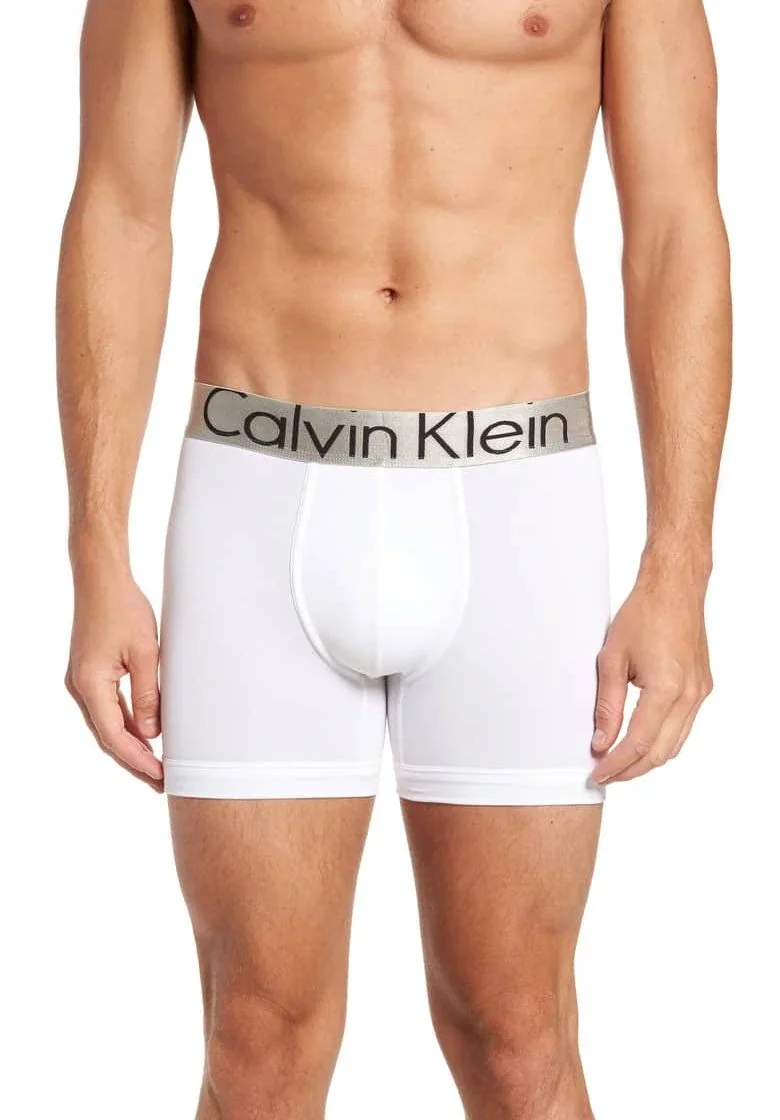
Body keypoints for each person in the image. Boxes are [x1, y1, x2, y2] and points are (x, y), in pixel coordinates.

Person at [57, 1, 731, 1117]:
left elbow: (675, 226)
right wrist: (95, 551)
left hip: (520, 501)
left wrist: (681, 562)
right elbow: (120, 210)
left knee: (518, 1035)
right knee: (254, 1041)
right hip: (256, 496)